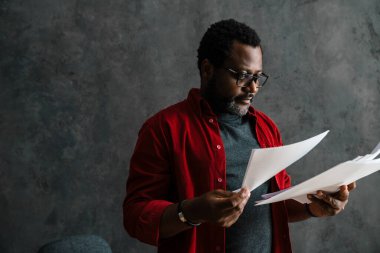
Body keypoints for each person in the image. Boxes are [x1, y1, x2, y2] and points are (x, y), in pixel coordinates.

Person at [123, 19, 356, 253]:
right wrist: (192, 212)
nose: (253, 88)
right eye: (243, 76)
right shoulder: (163, 129)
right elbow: (135, 216)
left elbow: (275, 203)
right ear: (207, 69)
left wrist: (313, 207)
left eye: (258, 77)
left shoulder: (266, 127)